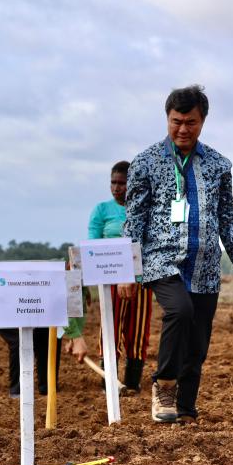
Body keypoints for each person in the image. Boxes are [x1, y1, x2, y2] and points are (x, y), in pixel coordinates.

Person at [121, 85, 233, 424]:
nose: (183, 129)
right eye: (176, 122)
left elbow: (229, 218)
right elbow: (135, 219)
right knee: (180, 311)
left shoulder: (219, 164)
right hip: (161, 260)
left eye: (191, 122)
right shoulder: (145, 162)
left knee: (198, 342)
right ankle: (164, 384)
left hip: (204, 265)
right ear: (167, 119)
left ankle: (184, 409)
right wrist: (129, 270)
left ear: (202, 122)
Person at [87, 161, 154, 392]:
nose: (117, 188)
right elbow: (92, 245)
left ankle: (132, 382)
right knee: (110, 328)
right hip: (111, 278)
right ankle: (109, 383)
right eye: (113, 183)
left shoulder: (148, 207)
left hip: (141, 279)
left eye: (122, 183)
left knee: (137, 329)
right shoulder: (101, 210)